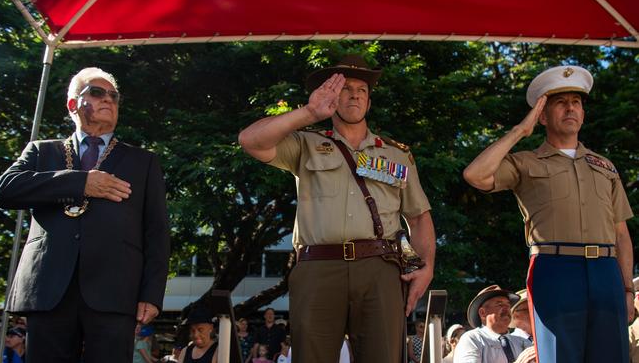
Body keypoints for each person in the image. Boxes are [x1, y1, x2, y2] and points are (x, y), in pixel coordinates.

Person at [239, 54, 436, 363]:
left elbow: (419, 216)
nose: (355, 94)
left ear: (369, 103)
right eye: (345, 88)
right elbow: (250, 140)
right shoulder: (306, 143)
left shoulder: (396, 156)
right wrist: (308, 112)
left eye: (362, 89)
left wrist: (426, 268)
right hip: (318, 266)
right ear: (330, 97)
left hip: (380, 268)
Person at [0, 67, 171, 363]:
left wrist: (151, 293)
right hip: (48, 290)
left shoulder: (143, 161)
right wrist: (80, 183)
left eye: (114, 96)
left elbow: (157, 231)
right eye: (97, 92)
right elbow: (4, 190)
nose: (108, 100)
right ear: (73, 104)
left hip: (115, 291)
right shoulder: (42, 152)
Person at [463, 65, 634, 362]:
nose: (571, 108)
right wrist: (520, 130)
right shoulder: (525, 162)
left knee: (612, 356)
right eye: (560, 102)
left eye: (576, 102)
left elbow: (621, 233)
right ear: (542, 115)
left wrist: (628, 290)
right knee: (560, 356)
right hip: (555, 269)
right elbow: (475, 175)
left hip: (606, 271)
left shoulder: (604, 166)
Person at [453, 285, 533, 363]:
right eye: (499, 304)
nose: (506, 308)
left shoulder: (523, 342)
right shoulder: (472, 339)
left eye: (508, 305)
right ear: (483, 313)